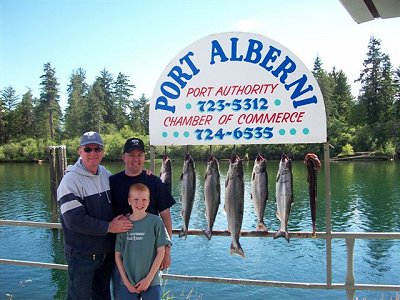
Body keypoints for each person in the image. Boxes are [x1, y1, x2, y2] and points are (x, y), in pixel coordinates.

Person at [57, 131, 133, 300]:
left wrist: (144, 177)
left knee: (102, 296)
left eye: (97, 149)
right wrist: (109, 227)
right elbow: (74, 220)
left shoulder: (105, 174)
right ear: (80, 151)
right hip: (82, 255)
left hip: (105, 253)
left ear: (103, 151)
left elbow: (123, 192)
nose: (93, 153)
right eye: (88, 149)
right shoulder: (70, 181)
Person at [110, 137, 175, 297]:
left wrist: (167, 249)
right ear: (123, 157)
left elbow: (166, 216)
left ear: (144, 157)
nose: (135, 159)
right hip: (123, 256)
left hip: (150, 257)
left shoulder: (154, 181)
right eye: (131, 155)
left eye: (139, 154)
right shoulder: (112, 182)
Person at [115, 183, 171, 300]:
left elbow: (161, 252)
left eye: (144, 199)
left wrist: (148, 280)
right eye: (135, 199)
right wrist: (126, 282)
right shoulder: (123, 224)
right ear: (129, 201)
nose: (140, 203)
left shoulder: (156, 222)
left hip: (152, 282)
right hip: (128, 283)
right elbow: (117, 256)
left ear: (149, 201)